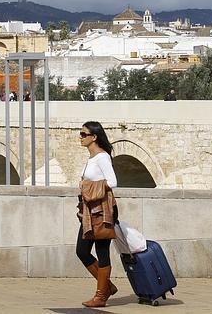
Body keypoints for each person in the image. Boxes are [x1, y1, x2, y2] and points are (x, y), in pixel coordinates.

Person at [76, 121, 118, 308]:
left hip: (102, 211)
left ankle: (101, 295)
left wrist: (88, 187)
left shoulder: (102, 157)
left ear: (94, 137)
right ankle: (106, 287)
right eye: (81, 133)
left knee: (102, 252)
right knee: (82, 251)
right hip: (89, 212)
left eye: (84, 134)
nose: (81, 137)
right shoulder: (91, 159)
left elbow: (113, 182)